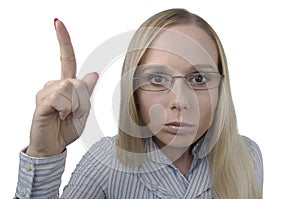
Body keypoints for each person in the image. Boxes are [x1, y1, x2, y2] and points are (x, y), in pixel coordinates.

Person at [15, 8, 263, 199]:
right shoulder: (106, 163)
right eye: (157, 79)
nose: (180, 101)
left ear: (220, 86)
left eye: (198, 78)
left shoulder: (247, 156)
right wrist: (44, 154)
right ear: (134, 91)